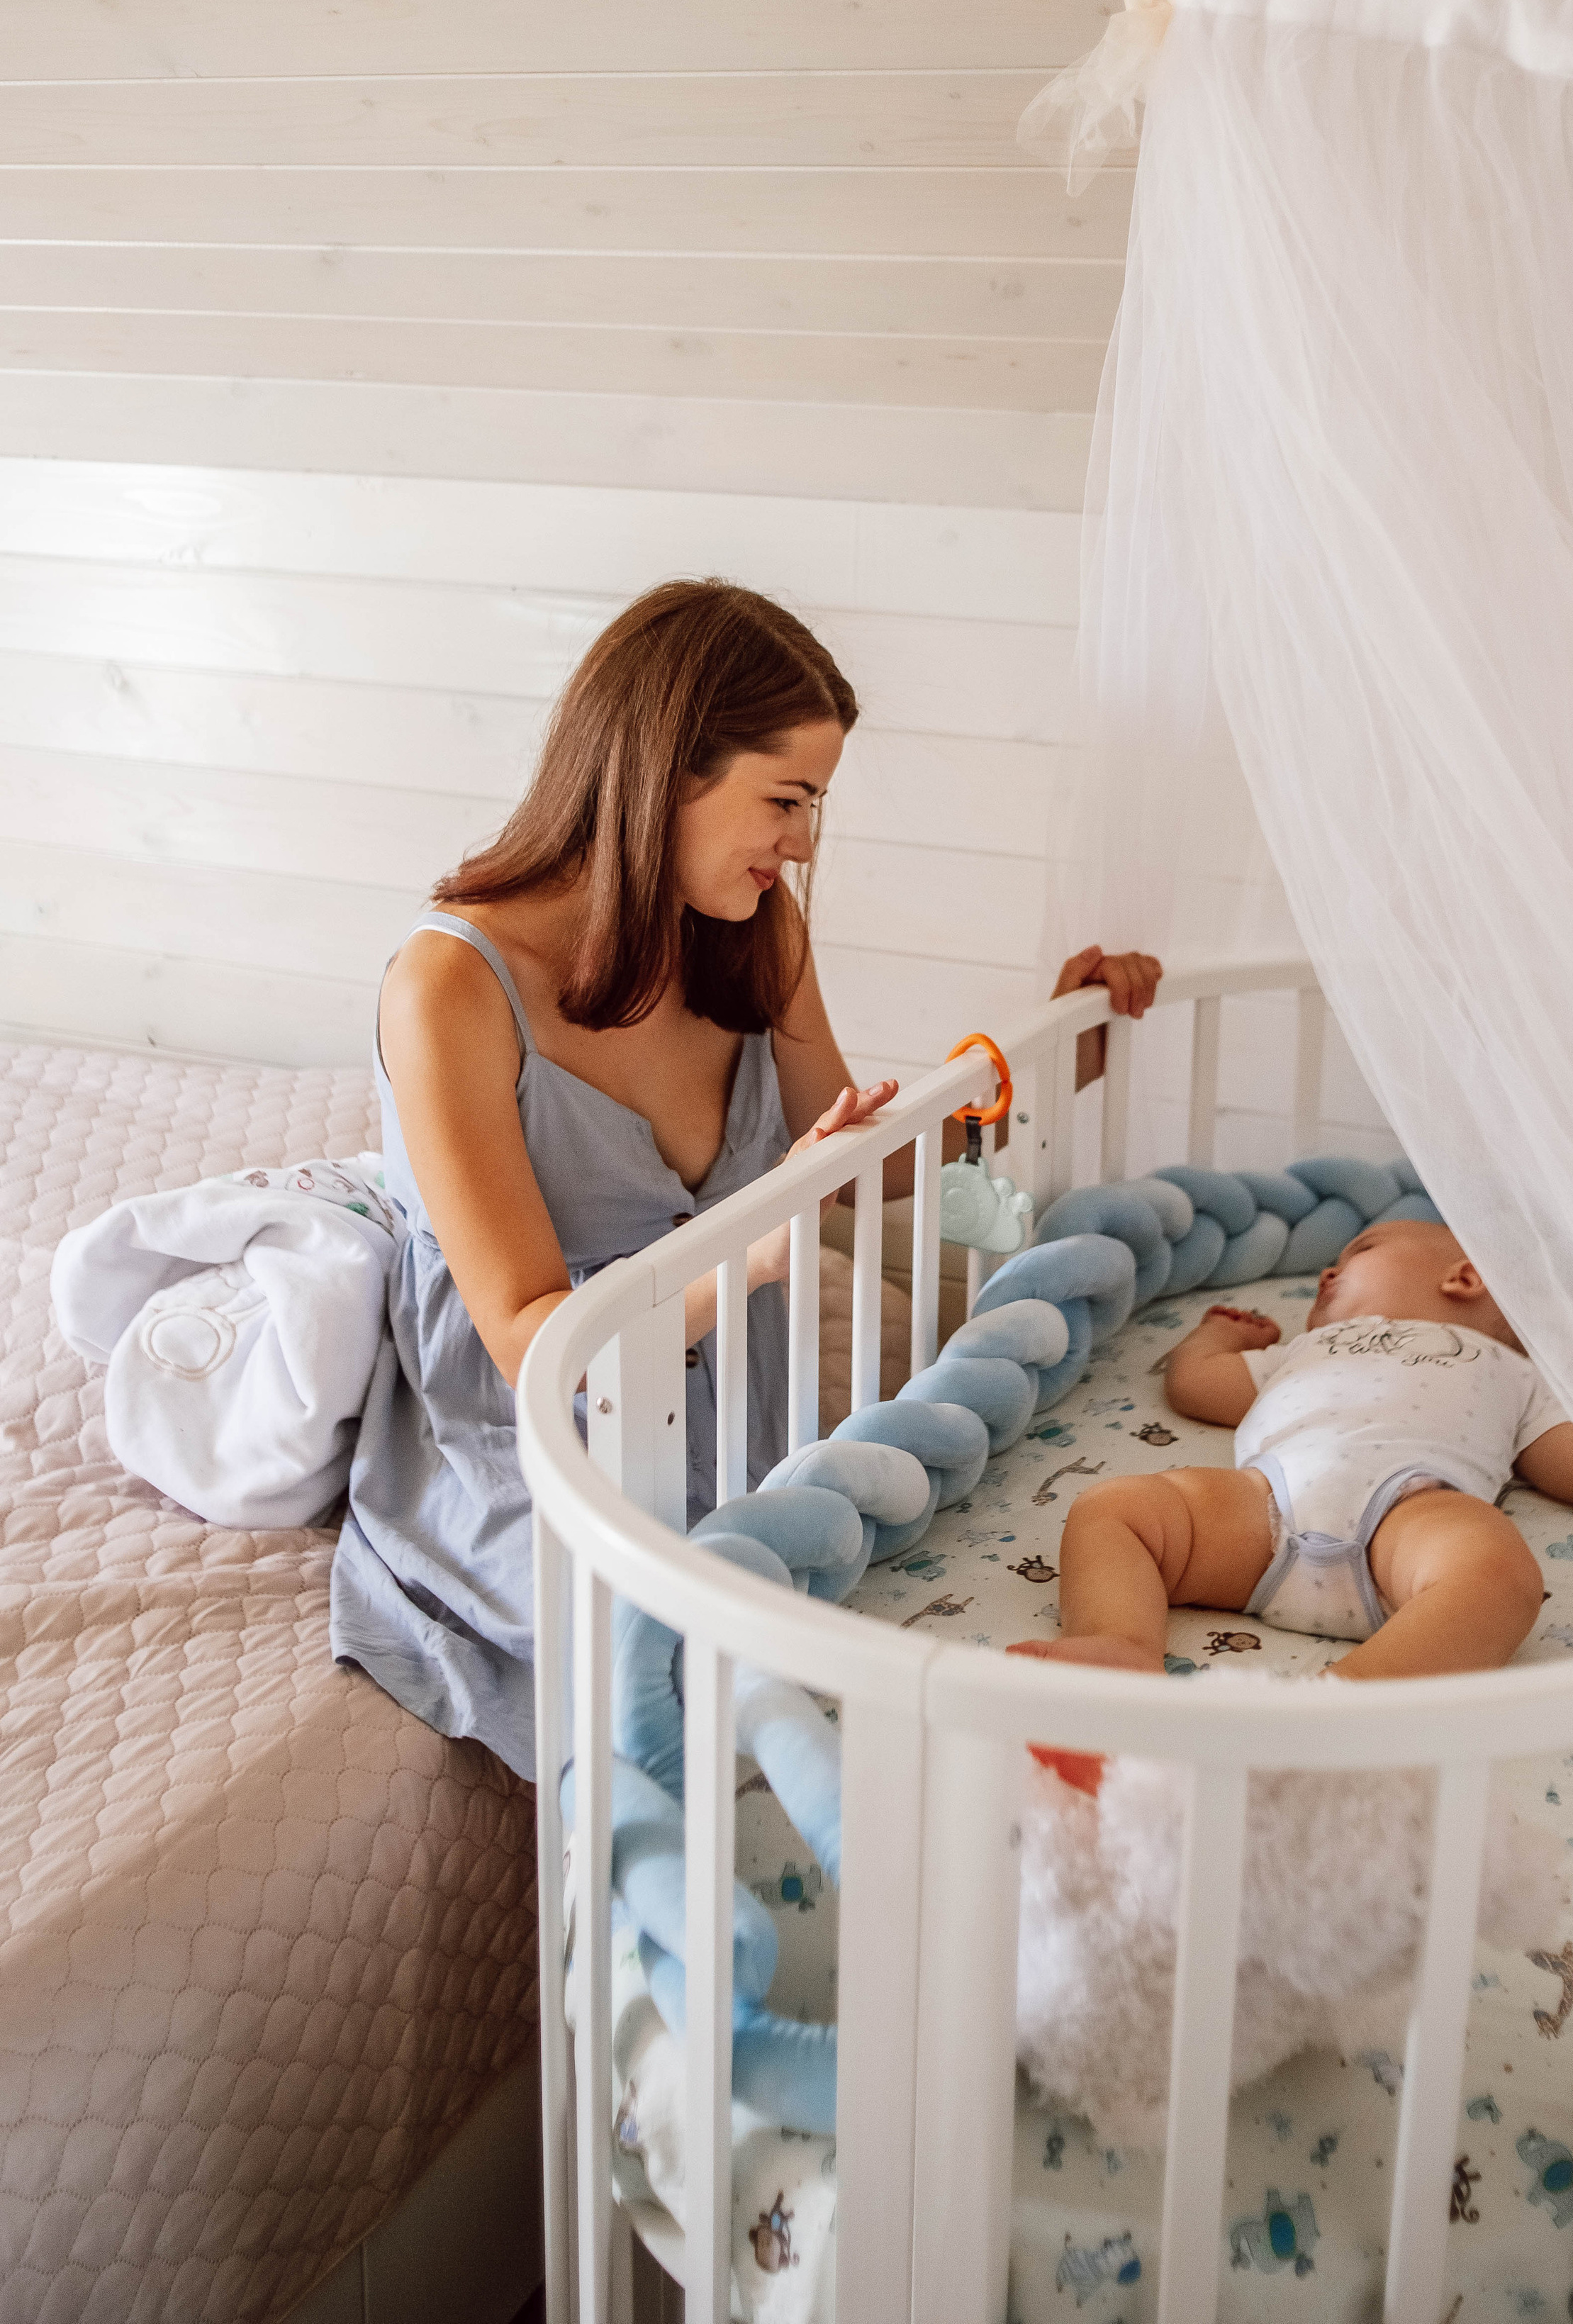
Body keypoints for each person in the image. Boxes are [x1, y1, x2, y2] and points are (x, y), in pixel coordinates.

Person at [330, 578, 1161, 1776]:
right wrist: (759, 1250)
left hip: (737, 1398)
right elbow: (528, 1341)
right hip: (549, 1438)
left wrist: (1044, 1060)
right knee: (669, 1701)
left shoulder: (753, 929)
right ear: (666, 772)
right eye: (786, 799)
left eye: (813, 803)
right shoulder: (451, 986)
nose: (804, 842)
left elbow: (857, 1161)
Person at [1008, 1217, 1573, 1683]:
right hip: (1262, 1510)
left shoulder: (1511, 1371)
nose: (1327, 1273)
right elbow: (1196, 1385)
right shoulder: (1303, 1351)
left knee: (1499, 1576)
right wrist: (1214, 1335)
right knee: (1114, 1508)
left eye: (1360, 1252)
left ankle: (1351, 1699)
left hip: (1409, 1516)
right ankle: (1119, 1643)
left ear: (1462, 1277)